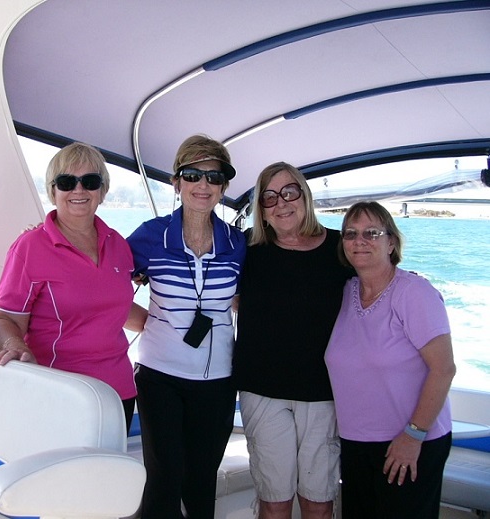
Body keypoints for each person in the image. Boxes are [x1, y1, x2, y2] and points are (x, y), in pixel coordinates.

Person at [127, 134, 246, 519]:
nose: (203, 185)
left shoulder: (238, 243)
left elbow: (255, 300)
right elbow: (102, 284)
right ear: (176, 182)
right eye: (192, 175)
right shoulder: (149, 236)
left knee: (201, 481)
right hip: (159, 375)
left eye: (214, 177)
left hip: (218, 380)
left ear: (224, 187)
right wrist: (145, 322)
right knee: (162, 479)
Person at [0, 142, 146, 432]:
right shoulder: (30, 247)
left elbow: (114, 307)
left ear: (102, 189)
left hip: (118, 392)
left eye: (89, 181)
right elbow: (5, 320)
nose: (78, 190)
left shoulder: (118, 245)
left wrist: (171, 326)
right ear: (53, 191)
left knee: (110, 475)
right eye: (66, 182)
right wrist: (14, 346)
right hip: (59, 391)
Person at [233, 162, 353, 519]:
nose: (281, 203)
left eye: (289, 192)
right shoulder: (247, 250)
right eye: (269, 197)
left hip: (323, 392)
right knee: (274, 501)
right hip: (262, 390)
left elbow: (377, 284)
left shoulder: (339, 247)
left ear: (305, 195)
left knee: (319, 502)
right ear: (261, 210)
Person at [325, 201, 455, 519]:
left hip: (409, 441)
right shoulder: (344, 291)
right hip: (355, 443)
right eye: (351, 234)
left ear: (391, 242)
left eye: (372, 232)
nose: (360, 240)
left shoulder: (413, 293)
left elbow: (444, 369)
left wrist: (413, 435)